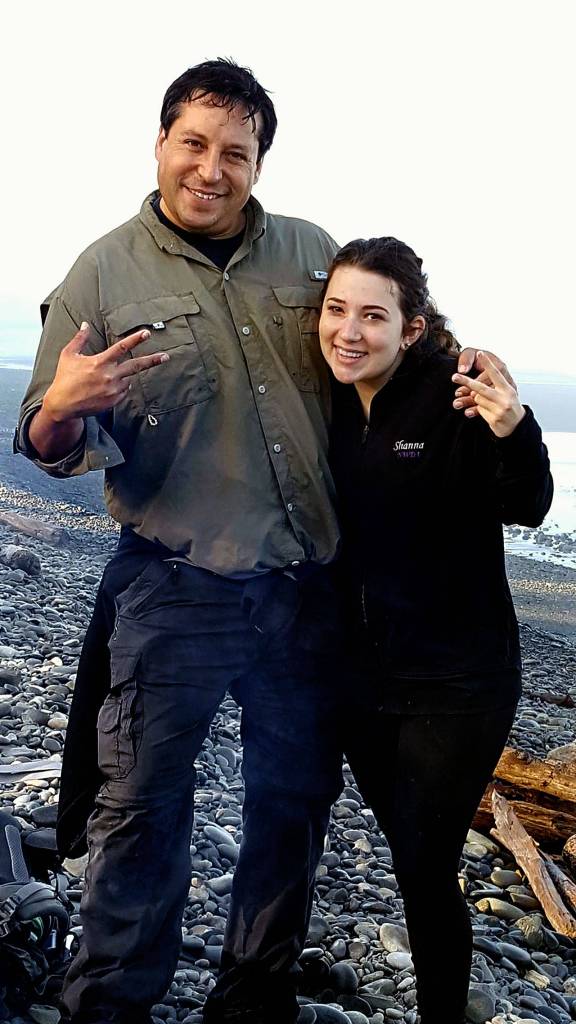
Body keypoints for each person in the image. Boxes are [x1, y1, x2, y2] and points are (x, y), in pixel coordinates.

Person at [16, 59, 501, 1024]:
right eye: (193, 144)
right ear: (160, 143)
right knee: (142, 808)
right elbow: (46, 440)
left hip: (306, 593)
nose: (212, 169)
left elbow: (379, 343)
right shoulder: (101, 272)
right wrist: (62, 407)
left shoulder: (311, 252)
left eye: (235, 152)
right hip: (177, 587)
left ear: (259, 161)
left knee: (292, 802)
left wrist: (473, 378)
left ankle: (252, 999)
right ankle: (110, 1007)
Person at [319, 236, 553, 1024]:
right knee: (409, 850)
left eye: (373, 316)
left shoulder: (454, 397)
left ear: (411, 328)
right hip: (360, 679)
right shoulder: (324, 398)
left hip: (459, 680)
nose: (349, 330)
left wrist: (516, 428)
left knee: (424, 859)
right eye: (337, 310)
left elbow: (527, 503)